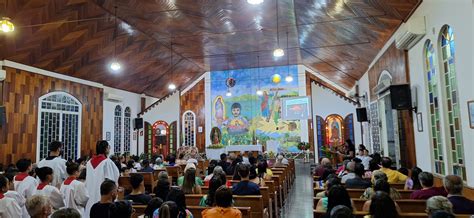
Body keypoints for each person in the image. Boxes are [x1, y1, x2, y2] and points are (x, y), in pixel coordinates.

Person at [85, 141, 120, 218]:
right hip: (103, 198)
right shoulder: (107, 162)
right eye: (109, 147)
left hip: (90, 195)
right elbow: (111, 182)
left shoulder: (88, 162)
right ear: (106, 149)